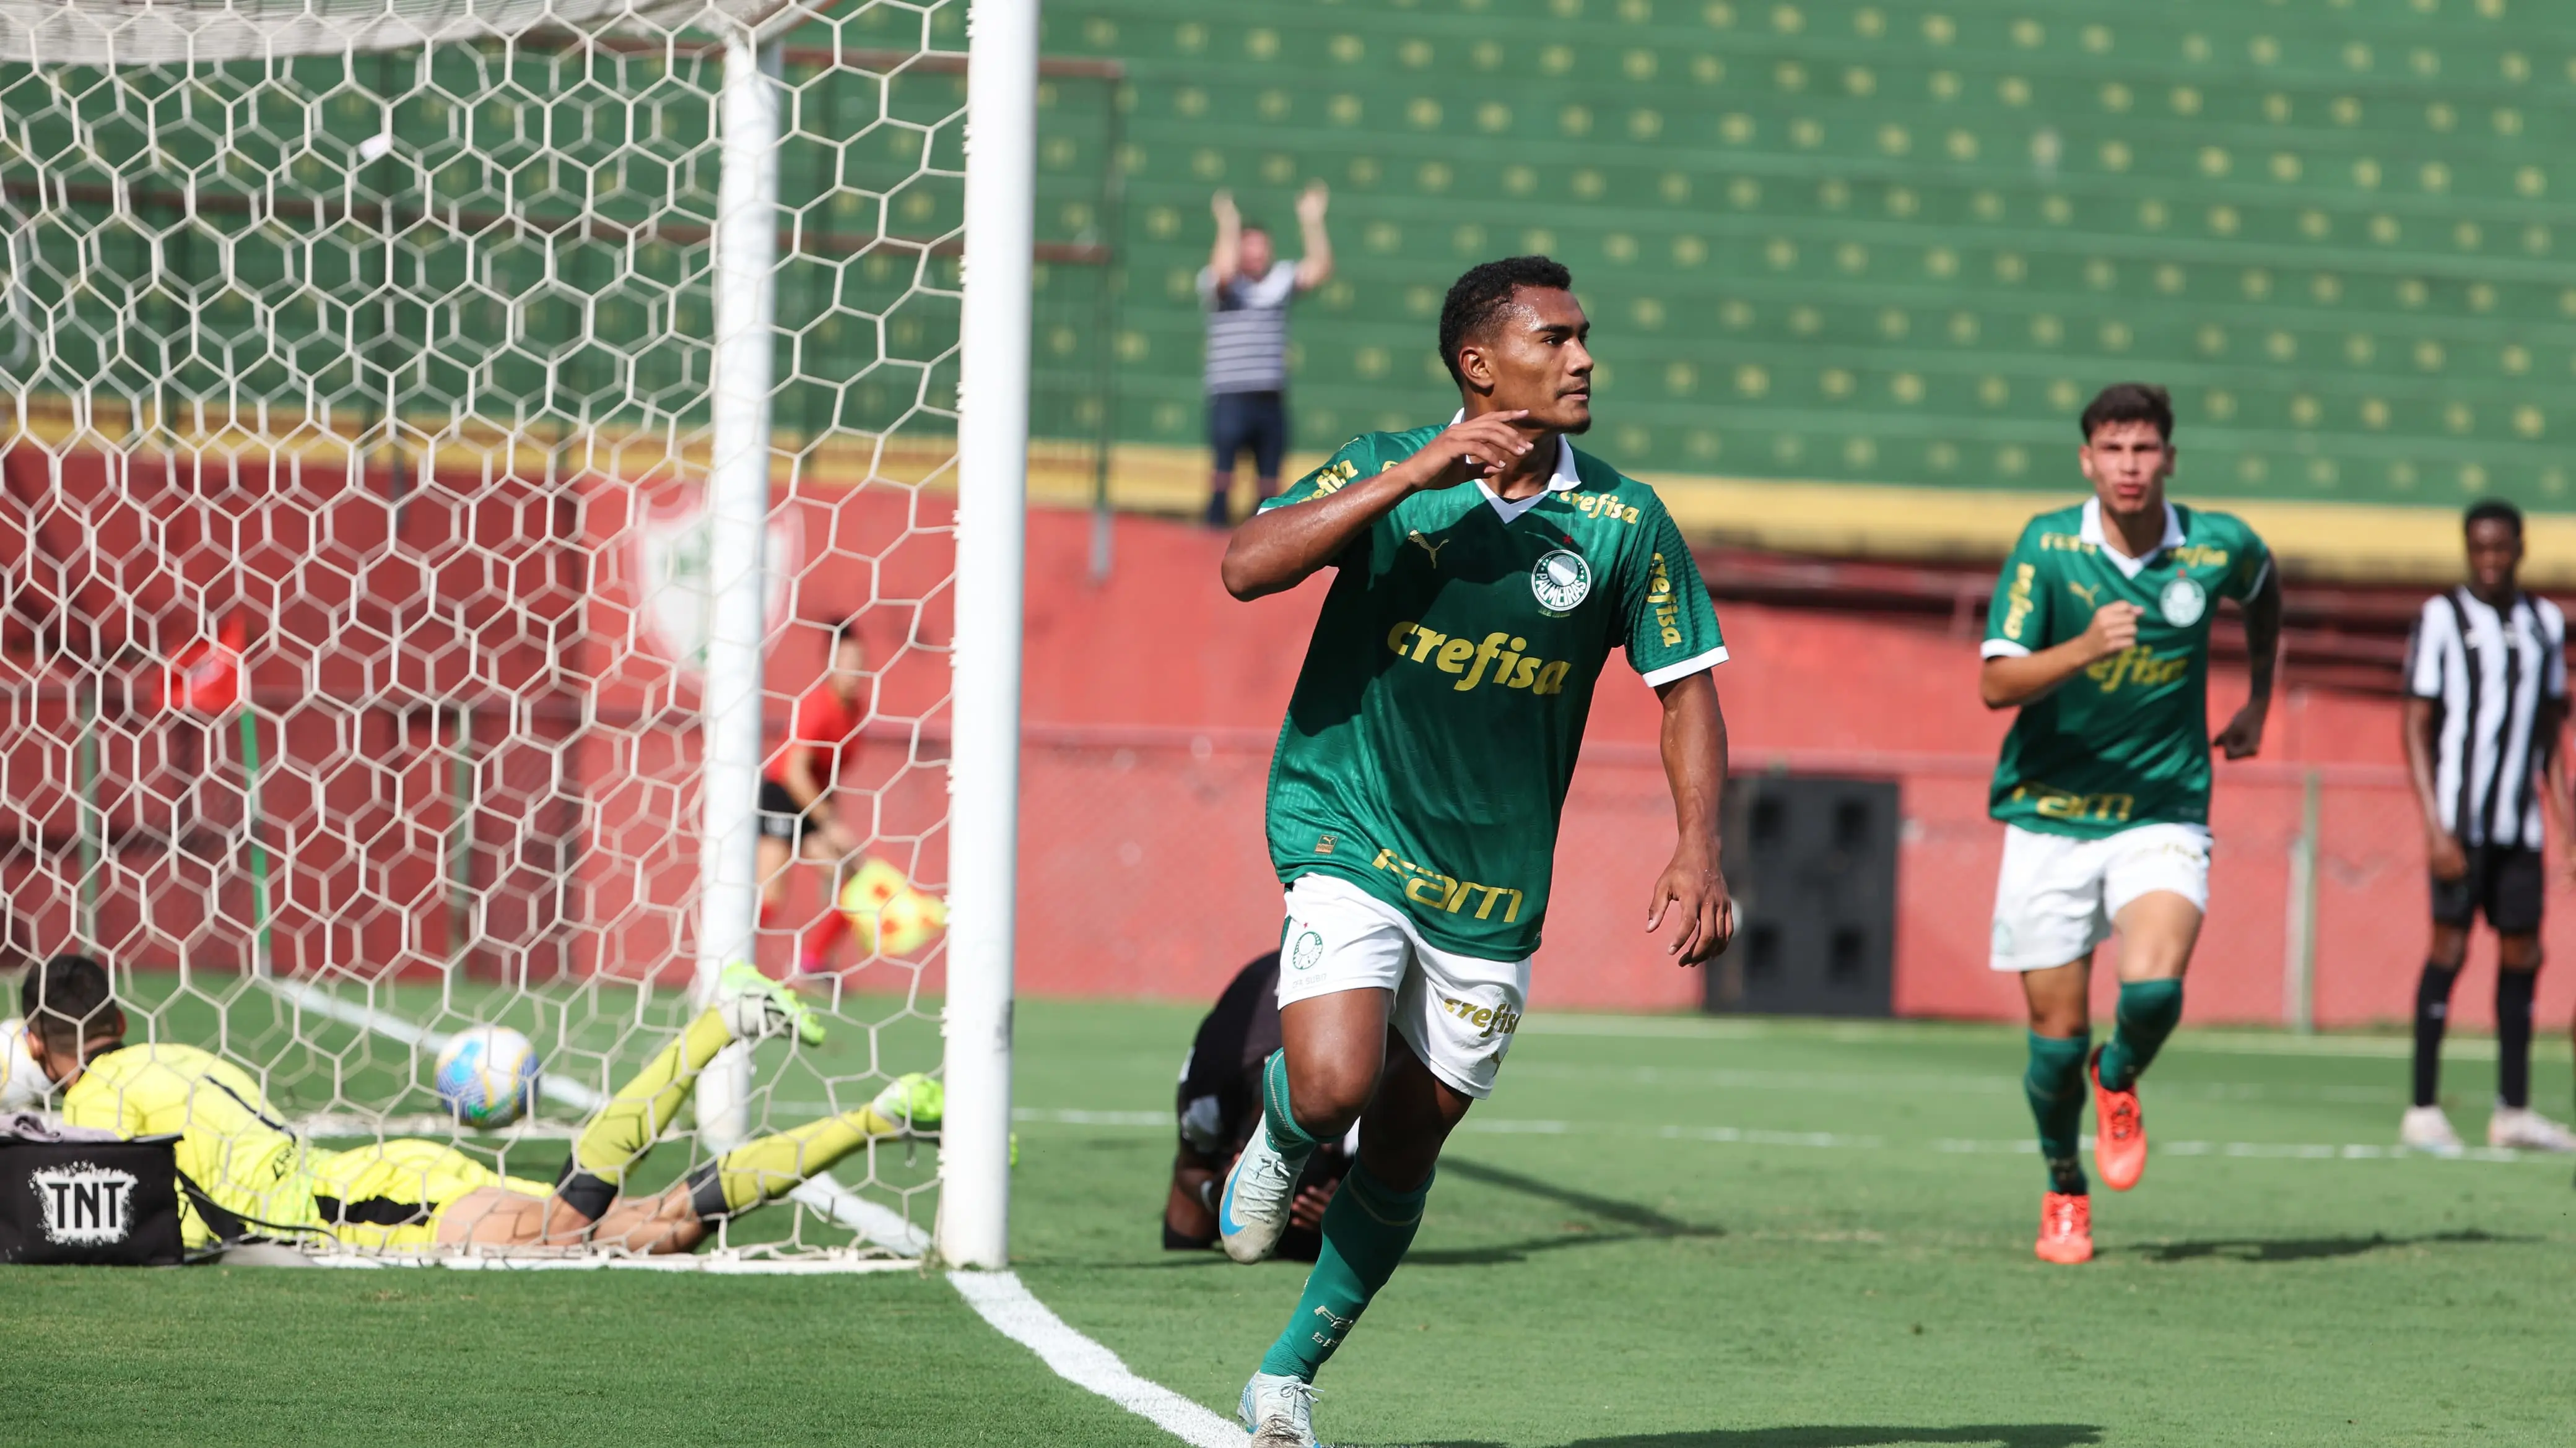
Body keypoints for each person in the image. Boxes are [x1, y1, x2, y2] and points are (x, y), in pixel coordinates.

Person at [1213, 254, 1734, 1447]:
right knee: (1339, 1083)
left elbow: (1687, 692)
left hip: (1494, 883)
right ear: (1479, 364)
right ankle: (1286, 1127)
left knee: (1407, 1134)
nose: (1584, 357)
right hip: (1349, 820)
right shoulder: (1390, 466)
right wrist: (1412, 473)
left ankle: (1286, 1372)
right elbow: (1246, 565)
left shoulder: (1623, 518)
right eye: (1555, 339)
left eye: (1585, 336)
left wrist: (1699, 848)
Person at [15, 953, 939, 1254]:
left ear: (34, 1046)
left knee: (566, 1229)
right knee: (655, 1229)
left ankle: (722, 1018)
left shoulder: (98, 1099)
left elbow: (107, 1213)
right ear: (122, 1016)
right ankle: (882, 1115)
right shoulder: (177, 1052)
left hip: (357, 1207)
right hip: (384, 1174)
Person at [1978, 382, 2281, 1266]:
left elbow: (2266, 593)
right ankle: (2064, 1186)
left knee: (2152, 992)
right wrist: (2083, 647)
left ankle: (2121, 1075)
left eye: (2145, 449)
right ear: (2087, 460)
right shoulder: (2047, 544)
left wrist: (2259, 696)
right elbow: (1995, 684)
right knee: (2054, 1038)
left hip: (2164, 806)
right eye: (2113, 450)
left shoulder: (2217, 545)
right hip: (2048, 813)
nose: (2130, 466)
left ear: (2170, 458)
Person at [2398, 500, 2576, 1155]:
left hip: (2518, 827)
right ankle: (2421, 1106)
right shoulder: (2440, 617)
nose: (2490, 560)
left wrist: (2564, 824)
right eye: (2479, 548)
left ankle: (2513, 1108)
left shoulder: (2545, 623)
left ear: (2519, 547)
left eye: (2501, 548)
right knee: (2447, 948)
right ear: (2466, 549)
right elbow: (2415, 725)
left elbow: (2550, 732)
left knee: (2523, 954)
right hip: (2459, 822)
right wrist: (2433, 826)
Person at [1163, 952, 1352, 1262]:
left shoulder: (1365, 1113)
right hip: (1259, 1006)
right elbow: (1191, 1167)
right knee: (1182, 1239)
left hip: (1349, 1024)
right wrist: (1213, 1191)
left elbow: (1401, 1189)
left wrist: (1349, 1215)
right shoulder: (1212, 1093)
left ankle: (1302, 1233)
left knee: (1310, 1248)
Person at [1201, 183, 1333, 527]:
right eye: (1250, 248)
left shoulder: (1279, 281)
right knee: (1222, 480)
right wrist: (1229, 225)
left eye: (1263, 248)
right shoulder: (1220, 285)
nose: (1257, 255)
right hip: (1230, 395)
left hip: (1270, 396)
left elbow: (1319, 268)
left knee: (1269, 489)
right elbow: (1224, 271)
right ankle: (1208, 547)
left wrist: (1312, 221)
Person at [758, 618, 870, 978]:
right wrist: (830, 823)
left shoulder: (855, 711)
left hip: (813, 805)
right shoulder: (818, 707)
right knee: (770, 899)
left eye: (859, 664)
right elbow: (794, 772)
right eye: (846, 663)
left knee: (853, 878)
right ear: (830, 664)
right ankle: (723, 959)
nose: (853, 672)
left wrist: (830, 820)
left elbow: (828, 773)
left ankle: (812, 965)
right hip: (781, 796)